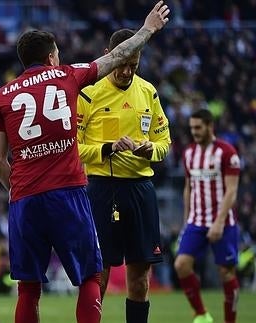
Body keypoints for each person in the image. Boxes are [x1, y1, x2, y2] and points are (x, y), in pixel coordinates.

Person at [0, 2, 170, 323]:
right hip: (68, 193)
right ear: (51, 58)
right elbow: (114, 57)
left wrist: (17, 190)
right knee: (89, 277)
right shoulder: (67, 76)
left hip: (25, 199)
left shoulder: (2, 96)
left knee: (28, 288)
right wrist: (148, 29)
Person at [76, 28, 172, 323]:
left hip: (141, 189)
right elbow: (73, 148)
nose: (127, 71)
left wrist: (149, 150)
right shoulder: (88, 93)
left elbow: (164, 142)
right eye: (122, 64)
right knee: (99, 274)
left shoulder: (148, 91)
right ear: (109, 56)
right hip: (102, 189)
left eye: (134, 65)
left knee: (141, 277)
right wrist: (106, 149)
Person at [174, 109, 241, 323]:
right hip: (196, 221)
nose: (194, 132)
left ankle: (230, 320)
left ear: (210, 126)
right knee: (181, 265)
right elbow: (188, 188)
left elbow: (231, 190)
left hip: (224, 222)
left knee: (226, 273)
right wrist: (186, 222)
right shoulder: (189, 153)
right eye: (192, 128)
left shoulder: (227, 153)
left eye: (198, 127)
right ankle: (202, 314)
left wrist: (219, 223)